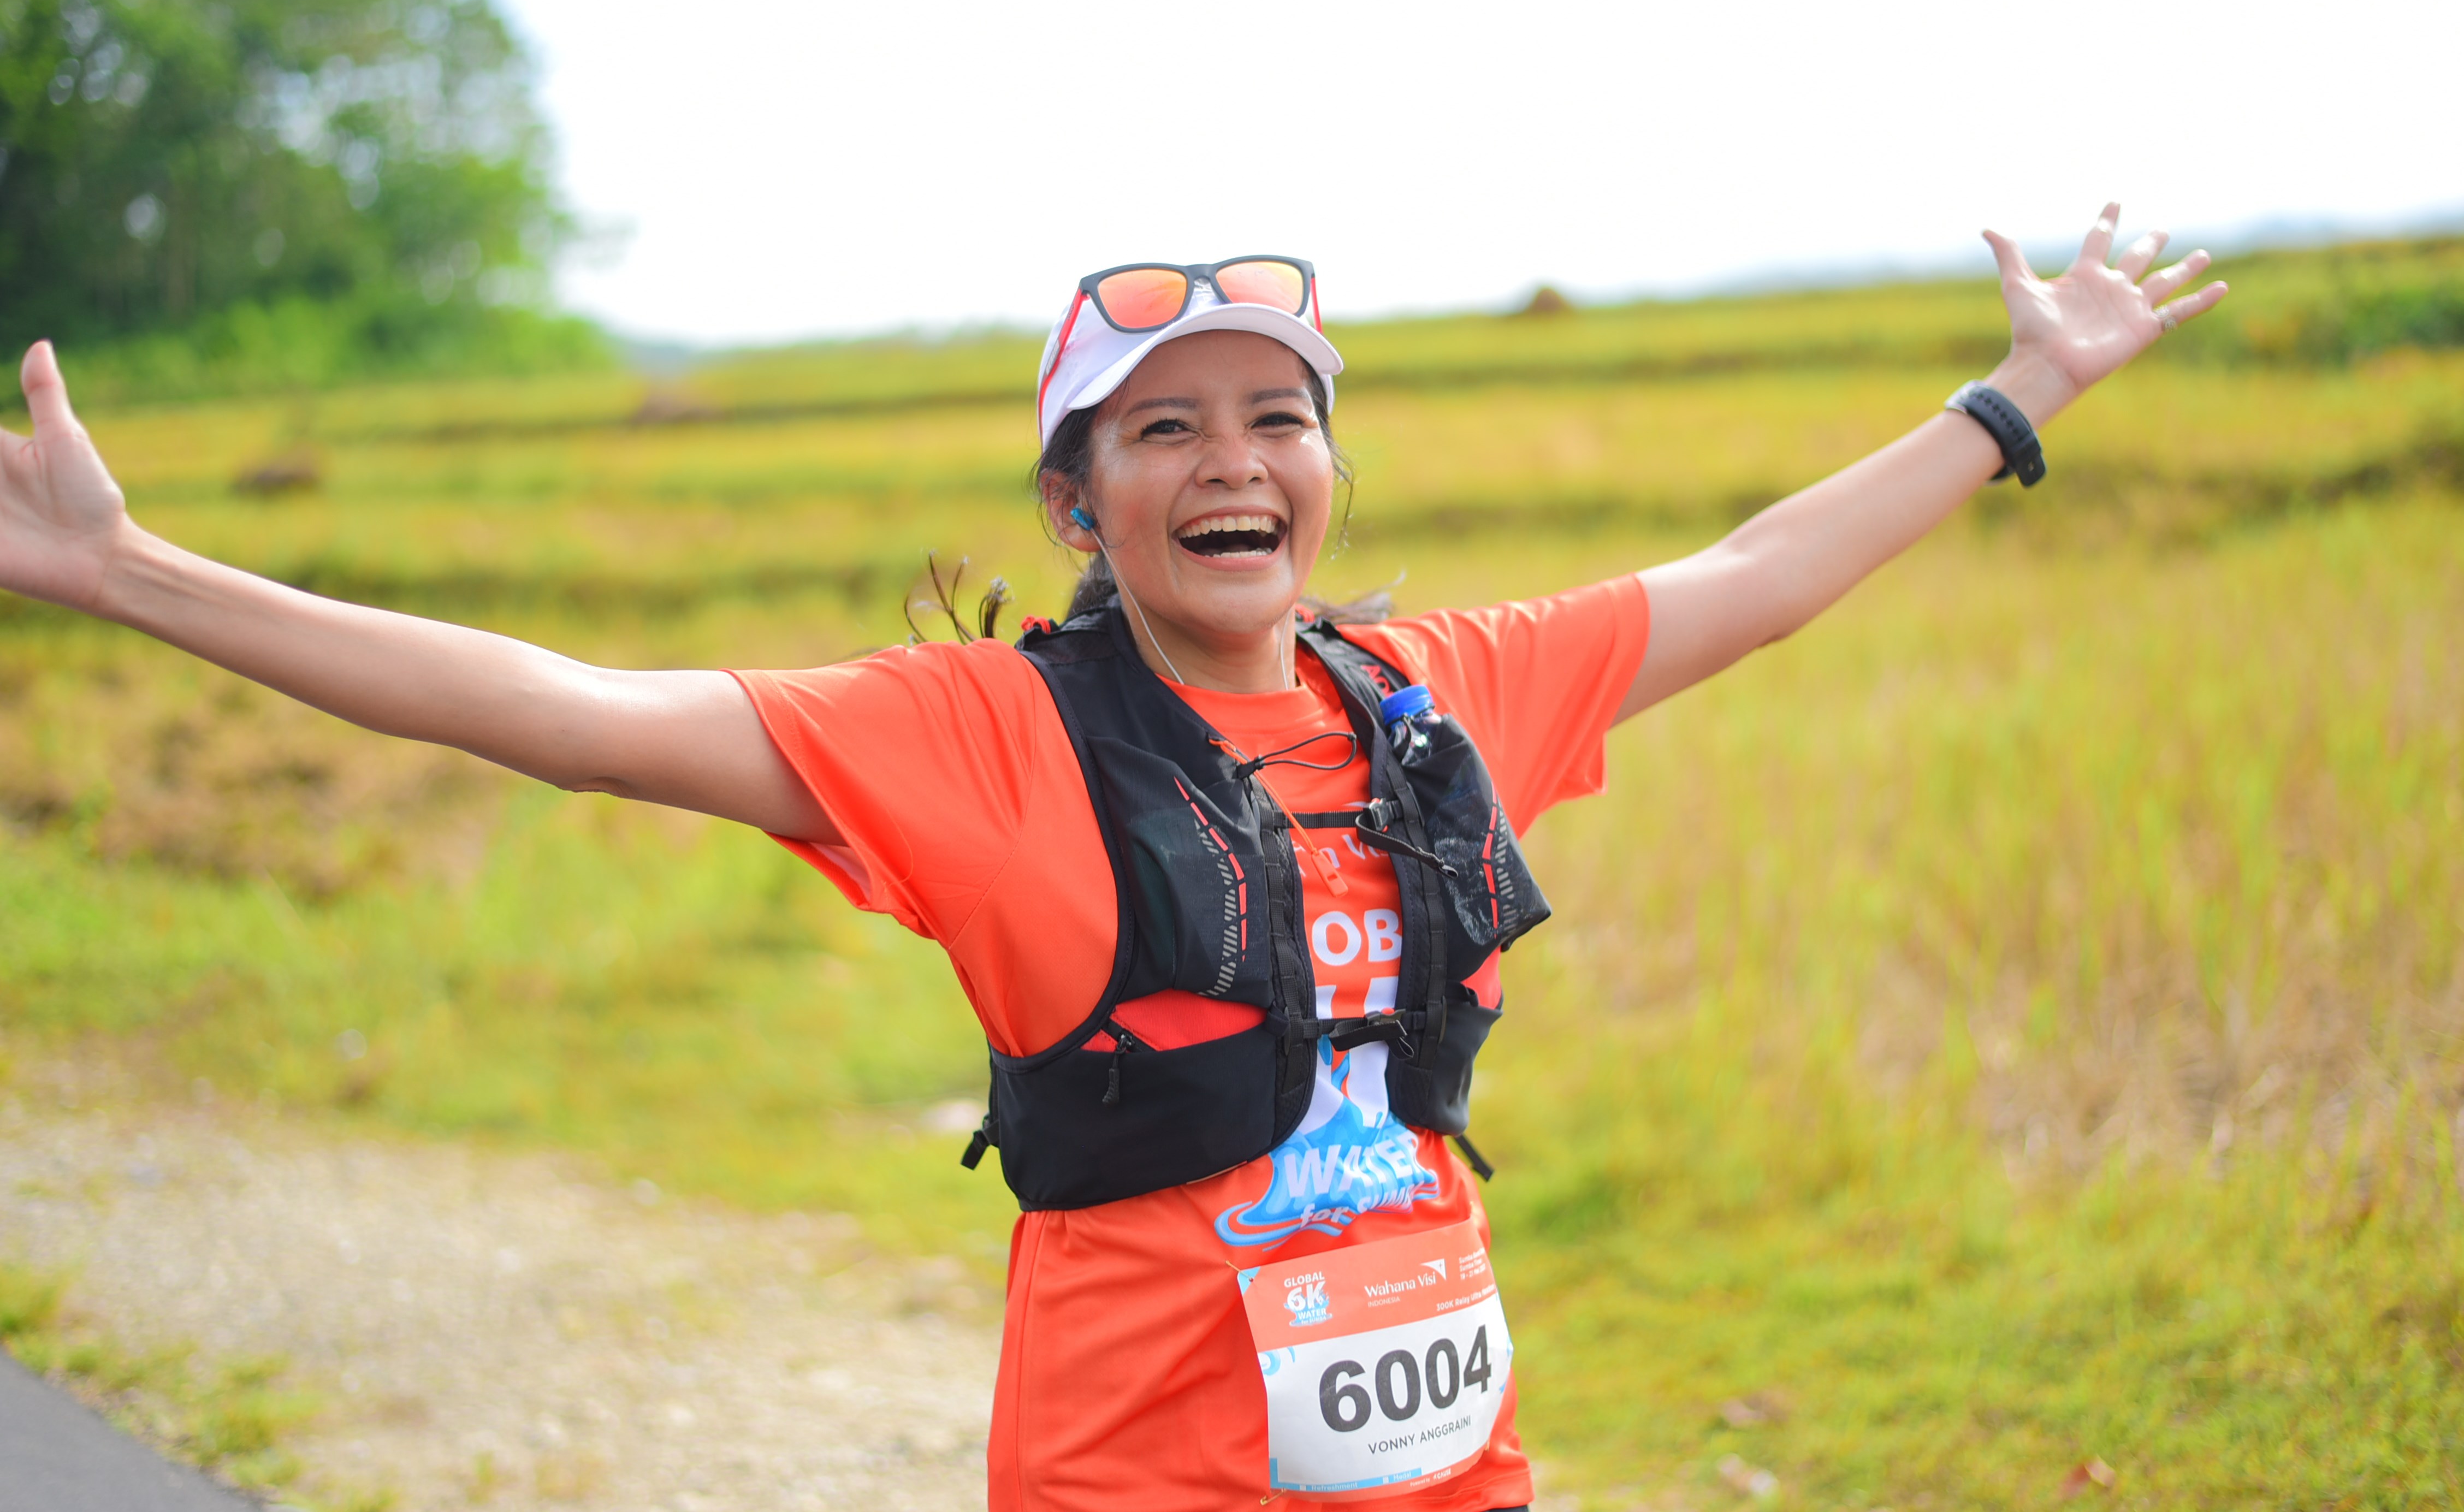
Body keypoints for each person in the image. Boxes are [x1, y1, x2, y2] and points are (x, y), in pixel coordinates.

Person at [0, 209, 2224, 1510]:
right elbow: (567, 710)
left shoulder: (1436, 694)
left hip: (1445, 1456)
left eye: (1278, 415)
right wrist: (133, 575)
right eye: (1166, 427)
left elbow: (1754, 575)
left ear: (1327, 465)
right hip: (1135, 1471)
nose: (1233, 459)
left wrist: (2018, 396)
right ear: (1081, 502)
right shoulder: (980, 734)